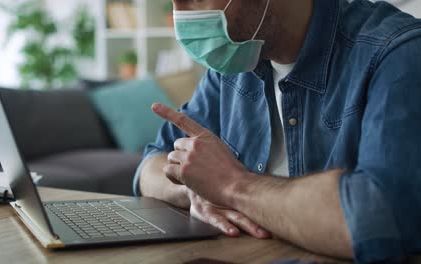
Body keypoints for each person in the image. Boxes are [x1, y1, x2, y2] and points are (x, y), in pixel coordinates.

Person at [133, 0, 421, 262]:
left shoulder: (397, 52)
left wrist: (233, 186)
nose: (181, 18)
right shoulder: (234, 62)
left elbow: (378, 221)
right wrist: (197, 190)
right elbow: (150, 166)